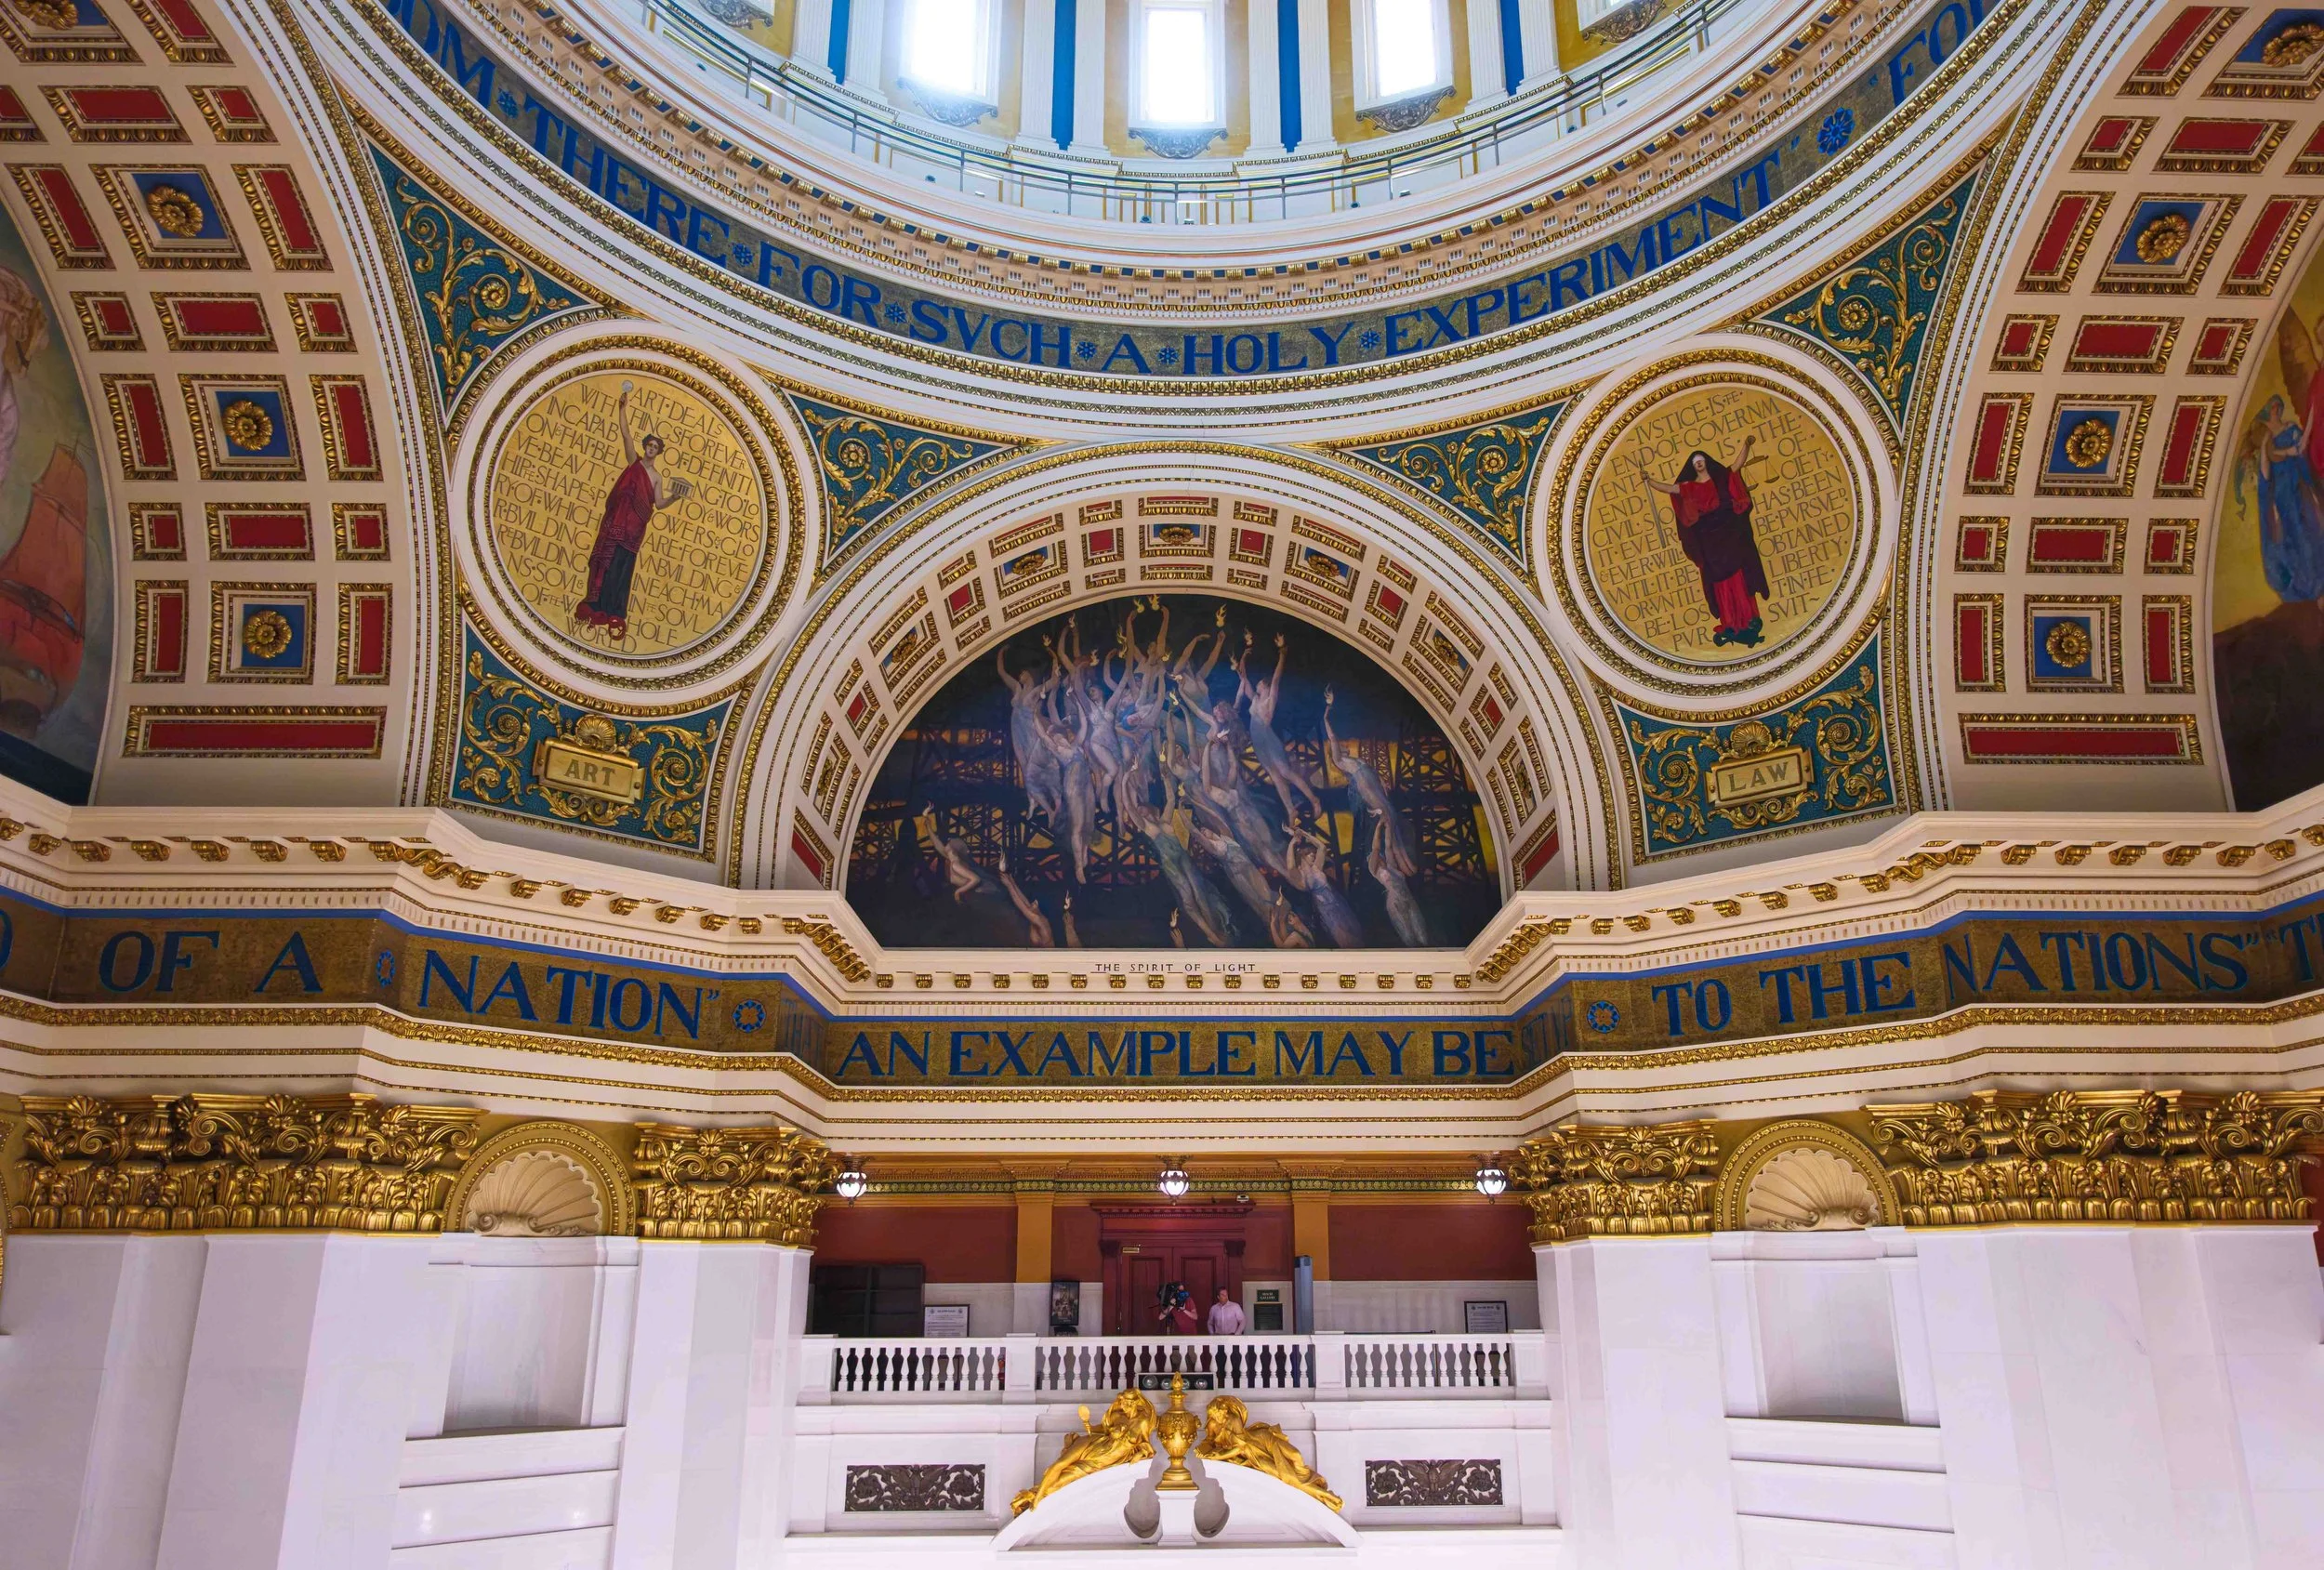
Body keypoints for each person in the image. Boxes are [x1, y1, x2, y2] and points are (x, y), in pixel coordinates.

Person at [575, 382, 693, 640]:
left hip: (634, 531)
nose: (651, 449)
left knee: (623, 569)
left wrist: (675, 497)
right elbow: (626, 436)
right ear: (646, 447)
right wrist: (622, 410)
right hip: (617, 524)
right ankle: (596, 605)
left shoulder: (656, 477)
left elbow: (659, 504)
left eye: (655, 447)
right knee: (607, 563)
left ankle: (615, 611)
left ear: (659, 452)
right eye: (649, 445)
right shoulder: (634, 463)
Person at [1638, 439, 1768, 649]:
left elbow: (1737, 465)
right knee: (1719, 581)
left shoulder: (1720, 478)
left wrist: (1746, 445)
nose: (1698, 463)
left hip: (1728, 534)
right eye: (1695, 461)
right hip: (1709, 541)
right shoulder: (1688, 487)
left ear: (1706, 462)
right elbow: (1669, 489)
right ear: (1693, 466)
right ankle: (1730, 622)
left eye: (1700, 459)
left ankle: (1748, 619)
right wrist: (1650, 480)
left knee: (1738, 575)